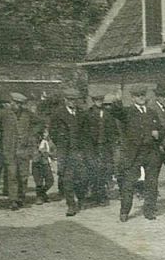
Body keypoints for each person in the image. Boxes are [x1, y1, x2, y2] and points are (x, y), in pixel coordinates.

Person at [110, 86, 164, 222]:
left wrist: (158, 134)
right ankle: (124, 211)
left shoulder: (151, 113)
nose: (141, 97)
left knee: (151, 183)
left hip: (151, 152)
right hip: (134, 153)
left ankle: (149, 211)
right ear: (133, 98)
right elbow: (116, 112)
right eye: (138, 95)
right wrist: (117, 100)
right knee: (129, 183)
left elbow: (161, 130)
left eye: (142, 95)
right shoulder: (128, 112)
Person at [50, 87, 88, 217]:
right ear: (65, 100)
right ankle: (71, 205)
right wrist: (61, 144)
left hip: (79, 151)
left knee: (82, 178)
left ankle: (81, 199)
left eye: (75, 100)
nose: (72, 102)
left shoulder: (82, 114)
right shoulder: (58, 114)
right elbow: (52, 132)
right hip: (65, 151)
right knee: (68, 179)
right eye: (70, 100)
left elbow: (85, 132)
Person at [0, 92, 38, 210]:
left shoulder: (27, 114)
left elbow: (40, 123)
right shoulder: (3, 114)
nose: (18, 106)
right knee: (12, 175)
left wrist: (31, 134)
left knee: (23, 175)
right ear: (11, 102)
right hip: (9, 149)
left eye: (20, 104)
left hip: (23, 150)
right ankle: (13, 200)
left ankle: (21, 197)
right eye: (16, 103)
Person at [85, 92, 116, 206]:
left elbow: (112, 129)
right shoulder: (88, 113)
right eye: (97, 100)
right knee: (94, 170)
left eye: (101, 100)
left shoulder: (107, 113)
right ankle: (95, 194)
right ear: (93, 101)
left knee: (105, 170)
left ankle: (102, 194)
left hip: (105, 146)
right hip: (93, 147)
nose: (99, 102)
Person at [31, 124, 55, 204]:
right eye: (44, 133)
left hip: (46, 163)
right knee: (39, 181)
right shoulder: (35, 141)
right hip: (37, 162)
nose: (45, 134)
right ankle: (39, 197)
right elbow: (33, 151)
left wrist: (49, 153)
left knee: (50, 180)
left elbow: (54, 151)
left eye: (46, 132)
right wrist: (38, 152)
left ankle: (42, 193)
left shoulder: (49, 141)